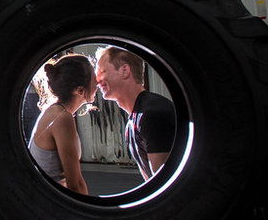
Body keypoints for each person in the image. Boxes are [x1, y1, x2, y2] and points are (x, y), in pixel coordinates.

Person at [94, 46, 175, 180]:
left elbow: (165, 185)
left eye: (102, 71)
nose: (97, 80)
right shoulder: (134, 122)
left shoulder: (152, 115)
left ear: (125, 70)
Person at [26, 54, 97, 194]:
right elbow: (75, 184)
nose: (98, 83)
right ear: (80, 90)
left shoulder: (55, 111)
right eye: (94, 80)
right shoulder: (62, 118)